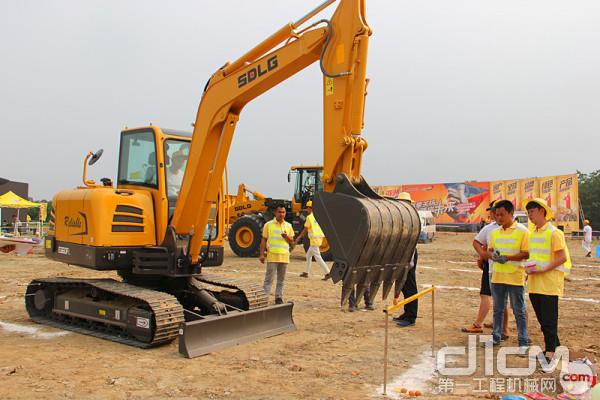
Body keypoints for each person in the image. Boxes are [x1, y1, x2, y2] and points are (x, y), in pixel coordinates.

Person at [524, 198, 571, 362]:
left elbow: (562, 257)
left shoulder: (554, 233)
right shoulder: (533, 233)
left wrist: (543, 269)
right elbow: (534, 256)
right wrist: (528, 270)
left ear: (542, 211)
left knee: (549, 320)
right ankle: (555, 347)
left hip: (549, 283)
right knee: (543, 320)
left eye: (532, 212)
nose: (530, 215)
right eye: (528, 212)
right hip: (535, 282)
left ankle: (550, 352)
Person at [486, 200, 530, 352]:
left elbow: (526, 253)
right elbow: (490, 250)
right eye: (497, 215)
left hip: (515, 276)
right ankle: (496, 336)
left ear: (511, 214)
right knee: (498, 309)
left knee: (519, 310)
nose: (499, 218)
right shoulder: (494, 232)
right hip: (498, 276)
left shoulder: (523, 231)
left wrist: (508, 258)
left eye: (502, 215)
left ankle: (523, 341)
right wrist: (493, 255)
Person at [462, 201, 508, 337]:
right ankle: (498, 324)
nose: (493, 214)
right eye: (493, 211)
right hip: (493, 265)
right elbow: (481, 244)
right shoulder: (491, 228)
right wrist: (482, 256)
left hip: (502, 267)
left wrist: (483, 256)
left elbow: (482, 245)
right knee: (499, 298)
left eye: (496, 211)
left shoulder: (493, 228)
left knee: (492, 297)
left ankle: (481, 324)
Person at [259, 204, 295, 304]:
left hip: (284, 256)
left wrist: (286, 237)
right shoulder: (268, 225)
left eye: (283, 212)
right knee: (268, 279)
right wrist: (262, 254)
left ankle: (278, 298)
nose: (281, 214)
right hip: (272, 256)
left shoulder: (288, 226)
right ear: (275, 213)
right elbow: (264, 240)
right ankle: (264, 298)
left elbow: (292, 241)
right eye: (279, 212)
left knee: (281, 280)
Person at [393, 192, 419, 327]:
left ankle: (411, 317)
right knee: (403, 285)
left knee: (409, 286)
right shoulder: (404, 217)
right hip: (402, 252)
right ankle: (406, 313)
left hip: (408, 252)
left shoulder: (411, 218)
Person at [294, 200, 331, 280]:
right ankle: (306, 272)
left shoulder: (309, 217)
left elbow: (305, 229)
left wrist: (299, 236)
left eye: (308, 207)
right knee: (308, 255)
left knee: (318, 257)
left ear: (310, 208)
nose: (307, 209)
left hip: (314, 239)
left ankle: (328, 273)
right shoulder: (318, 216)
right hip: (319, 238)